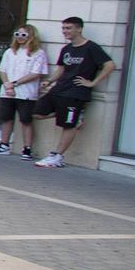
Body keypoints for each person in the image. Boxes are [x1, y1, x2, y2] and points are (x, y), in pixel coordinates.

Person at [34, 17, 115, 169]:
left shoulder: (91, 47)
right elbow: (61, 69)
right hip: (59, 89)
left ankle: (57, 156)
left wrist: (92, 83)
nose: (65, 31)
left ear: (79, 29)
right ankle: (75, 117)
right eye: (63, 28)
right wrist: (49, 81)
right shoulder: (66, 49)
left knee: (68, 125)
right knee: (36, 113)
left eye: (69, 28)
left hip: (76, 93)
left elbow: (110, 65)